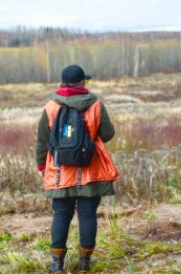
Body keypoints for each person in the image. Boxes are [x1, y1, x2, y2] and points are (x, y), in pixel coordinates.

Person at [36, 64, 120, 274]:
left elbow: (42, 142)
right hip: (90, 171)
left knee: (61, 214)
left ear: (62, 83)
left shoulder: (50, 107)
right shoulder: (96, 105)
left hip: (59, 173)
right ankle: (84, 263)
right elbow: (108, 134)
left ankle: (57, 265)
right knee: (88, 214)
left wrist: (41, 166)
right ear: (82, 82)